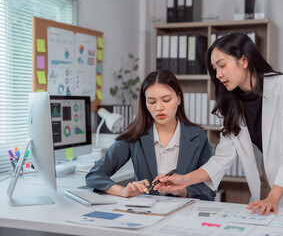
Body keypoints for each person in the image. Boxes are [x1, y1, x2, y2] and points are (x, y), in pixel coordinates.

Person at [153, 33, 283, 214]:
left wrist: (273, 197)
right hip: (270, 174)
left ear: (244, 60)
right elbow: (222, 159)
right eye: (214, 69)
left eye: (222, 65)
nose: (218, 75)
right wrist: (184, 180)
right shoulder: (232, 104)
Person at [86, 69, 215, 201]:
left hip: (184, 215)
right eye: (152, 102)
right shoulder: (135, 135)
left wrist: (182, 191)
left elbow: (209, 189)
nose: (159, 107)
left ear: (179, 99)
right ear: (145, 103)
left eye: (166, 100)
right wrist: (123, 191)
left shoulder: (197, 136)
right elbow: (94, 175)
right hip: (146, 214)